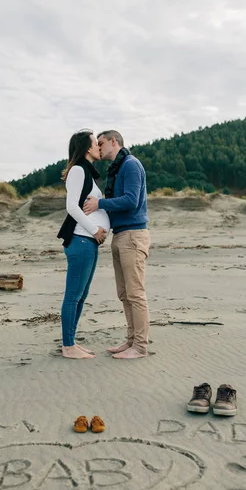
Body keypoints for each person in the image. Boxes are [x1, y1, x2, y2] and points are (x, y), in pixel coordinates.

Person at [83, 130, 150, 359]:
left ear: (114, 142)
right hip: (121, 235)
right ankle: (131, 341)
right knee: (124, 293)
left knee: (135, 293)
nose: (98, 147)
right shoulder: (119, 168)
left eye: (101, 143)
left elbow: (132, 201)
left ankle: (140, 347)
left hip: (133, 235)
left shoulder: (130, 165)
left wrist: (100, 203)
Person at [57, 130, 110, 359]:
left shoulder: (86, 172)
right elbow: (72, 207)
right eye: (95, 143)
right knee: (73, 295)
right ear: (87, 149)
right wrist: (95, 229)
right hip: (81, 240)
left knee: (81, 294)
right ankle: (68, 346)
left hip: (88, 242)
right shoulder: (78, 170)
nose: (99, 147)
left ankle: (72, 342)